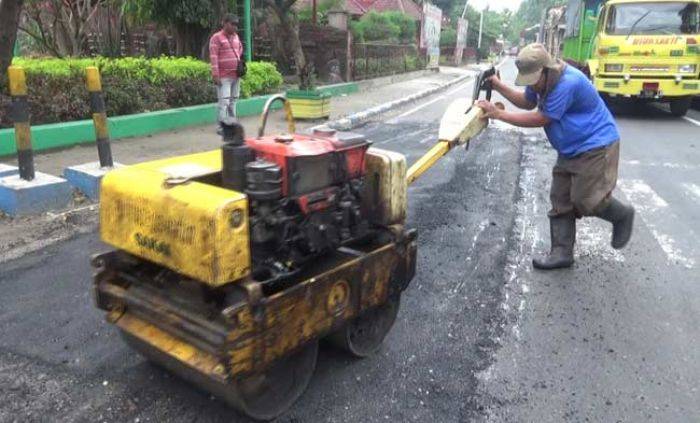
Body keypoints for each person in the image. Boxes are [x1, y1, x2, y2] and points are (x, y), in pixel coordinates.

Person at [477, 43, 635, 270]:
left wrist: (499, 114)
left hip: (595, 146)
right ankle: (561, 252)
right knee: (560, 198)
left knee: (587, 199)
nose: (532, 85)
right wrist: (498, 86)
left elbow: (540, 118)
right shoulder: (542, 80)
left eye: (534, 79)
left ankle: (621, 215)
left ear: (547, 69)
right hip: (569, 148)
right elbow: (527, 101)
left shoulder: (567, 83)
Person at [209, 14, 244, 132]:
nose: (235, 27)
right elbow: (213, 57)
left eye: (236, 24)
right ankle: (221, 127)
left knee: (233, 101)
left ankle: (232, 124)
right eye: (232, 24)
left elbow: (239, 49)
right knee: (224, 102)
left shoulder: (236, 37)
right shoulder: (216, 38)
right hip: (223, 77)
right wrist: (215, 74)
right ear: (224, 23)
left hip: (236, 76)